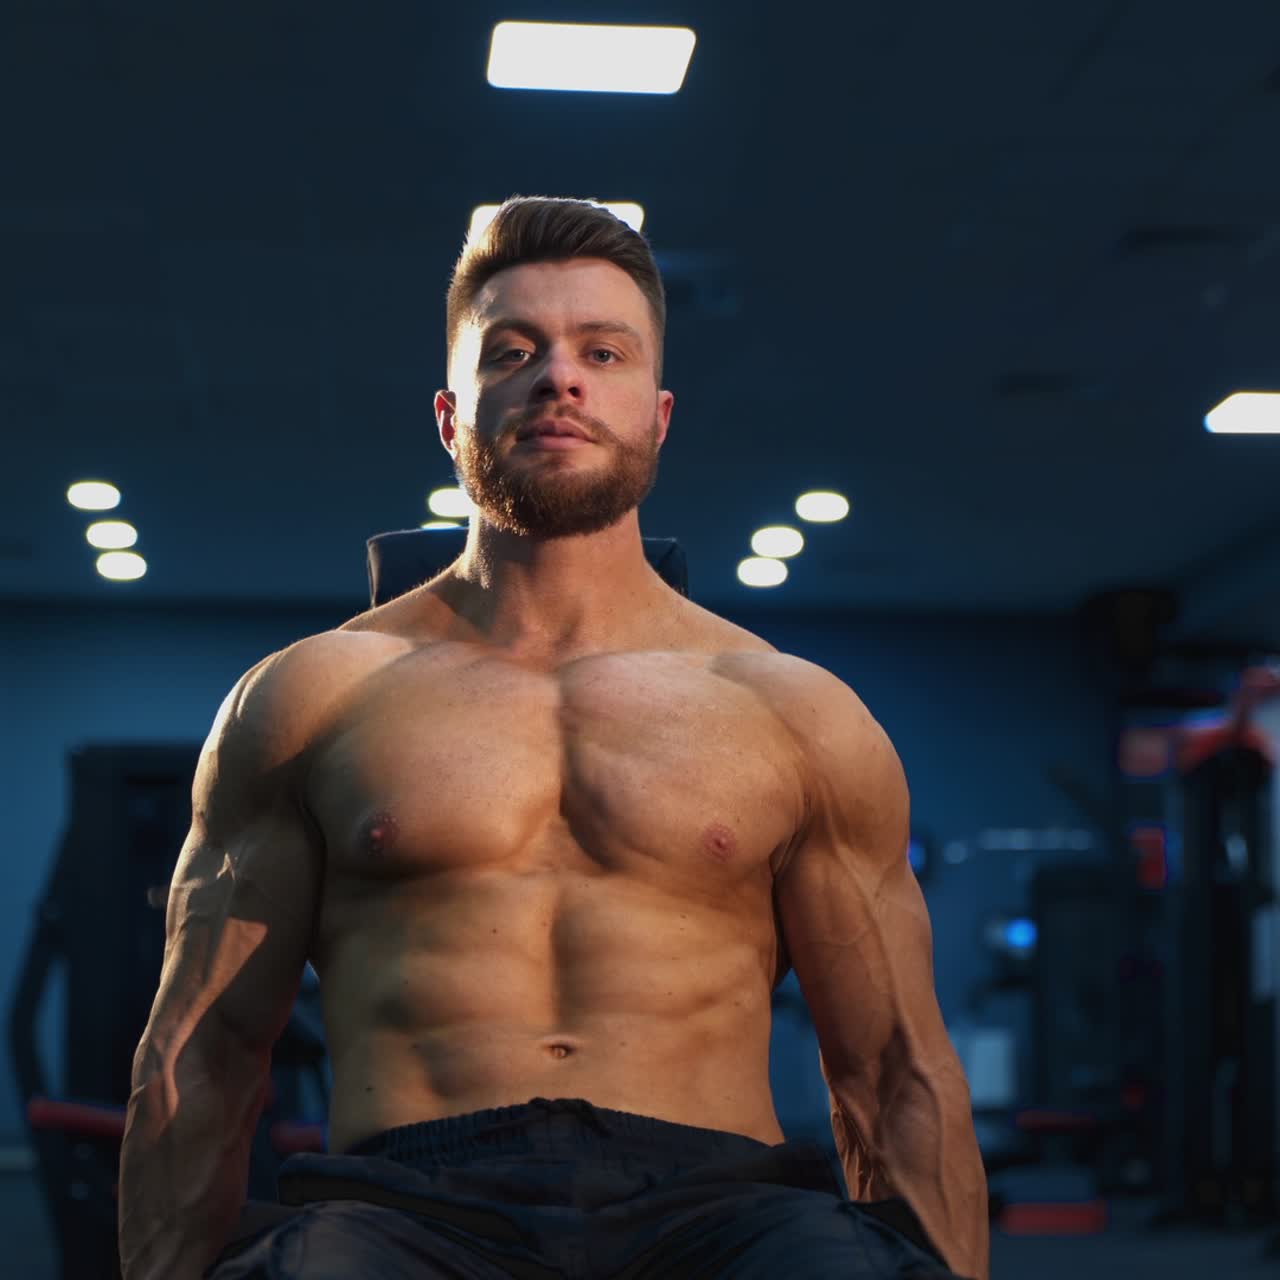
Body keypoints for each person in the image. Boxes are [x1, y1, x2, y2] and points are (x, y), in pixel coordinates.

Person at [118, 196, 989, 1280]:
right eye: (513, 351)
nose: (558, 379)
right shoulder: (311, 697)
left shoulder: (791, 709)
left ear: (658, 416)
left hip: (721, 1210)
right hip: (406, 1208)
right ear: (451, 418)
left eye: (601, 352)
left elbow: (894, 1071)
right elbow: (199, 1054)